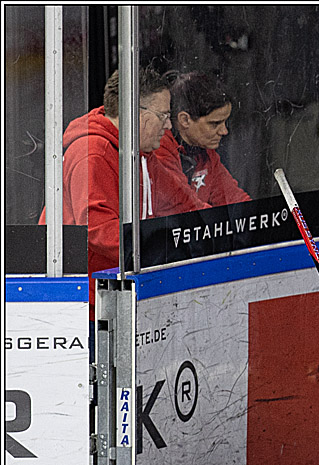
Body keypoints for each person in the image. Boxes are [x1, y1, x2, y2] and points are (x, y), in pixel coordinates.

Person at [39, 67, 207, 320]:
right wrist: (162, 247)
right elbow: (98, 229)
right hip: (86, 308)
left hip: (118, 298)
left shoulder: (140, 154)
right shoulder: (91, 153)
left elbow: (185, 204)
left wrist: (226, 228)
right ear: (133, 113)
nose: (169, 125)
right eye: (162, 115)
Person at [152, 70, 250, 209]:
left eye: (225, 122)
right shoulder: (159, 150)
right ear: (185, 120)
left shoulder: (206, 153)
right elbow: (185, 207)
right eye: (215, 123)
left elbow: (234, 200)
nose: (224, 131)